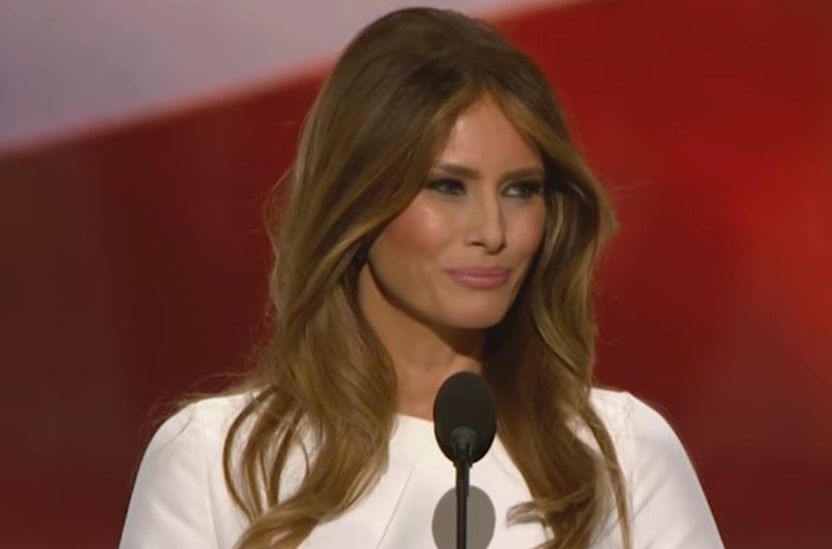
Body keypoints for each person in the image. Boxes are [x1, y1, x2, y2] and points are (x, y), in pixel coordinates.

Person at [118, 7, 724, 549]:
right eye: (448, 186)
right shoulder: (219, 463)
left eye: (521, 190)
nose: (492, 230)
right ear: (357, 198)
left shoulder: (621, 454)